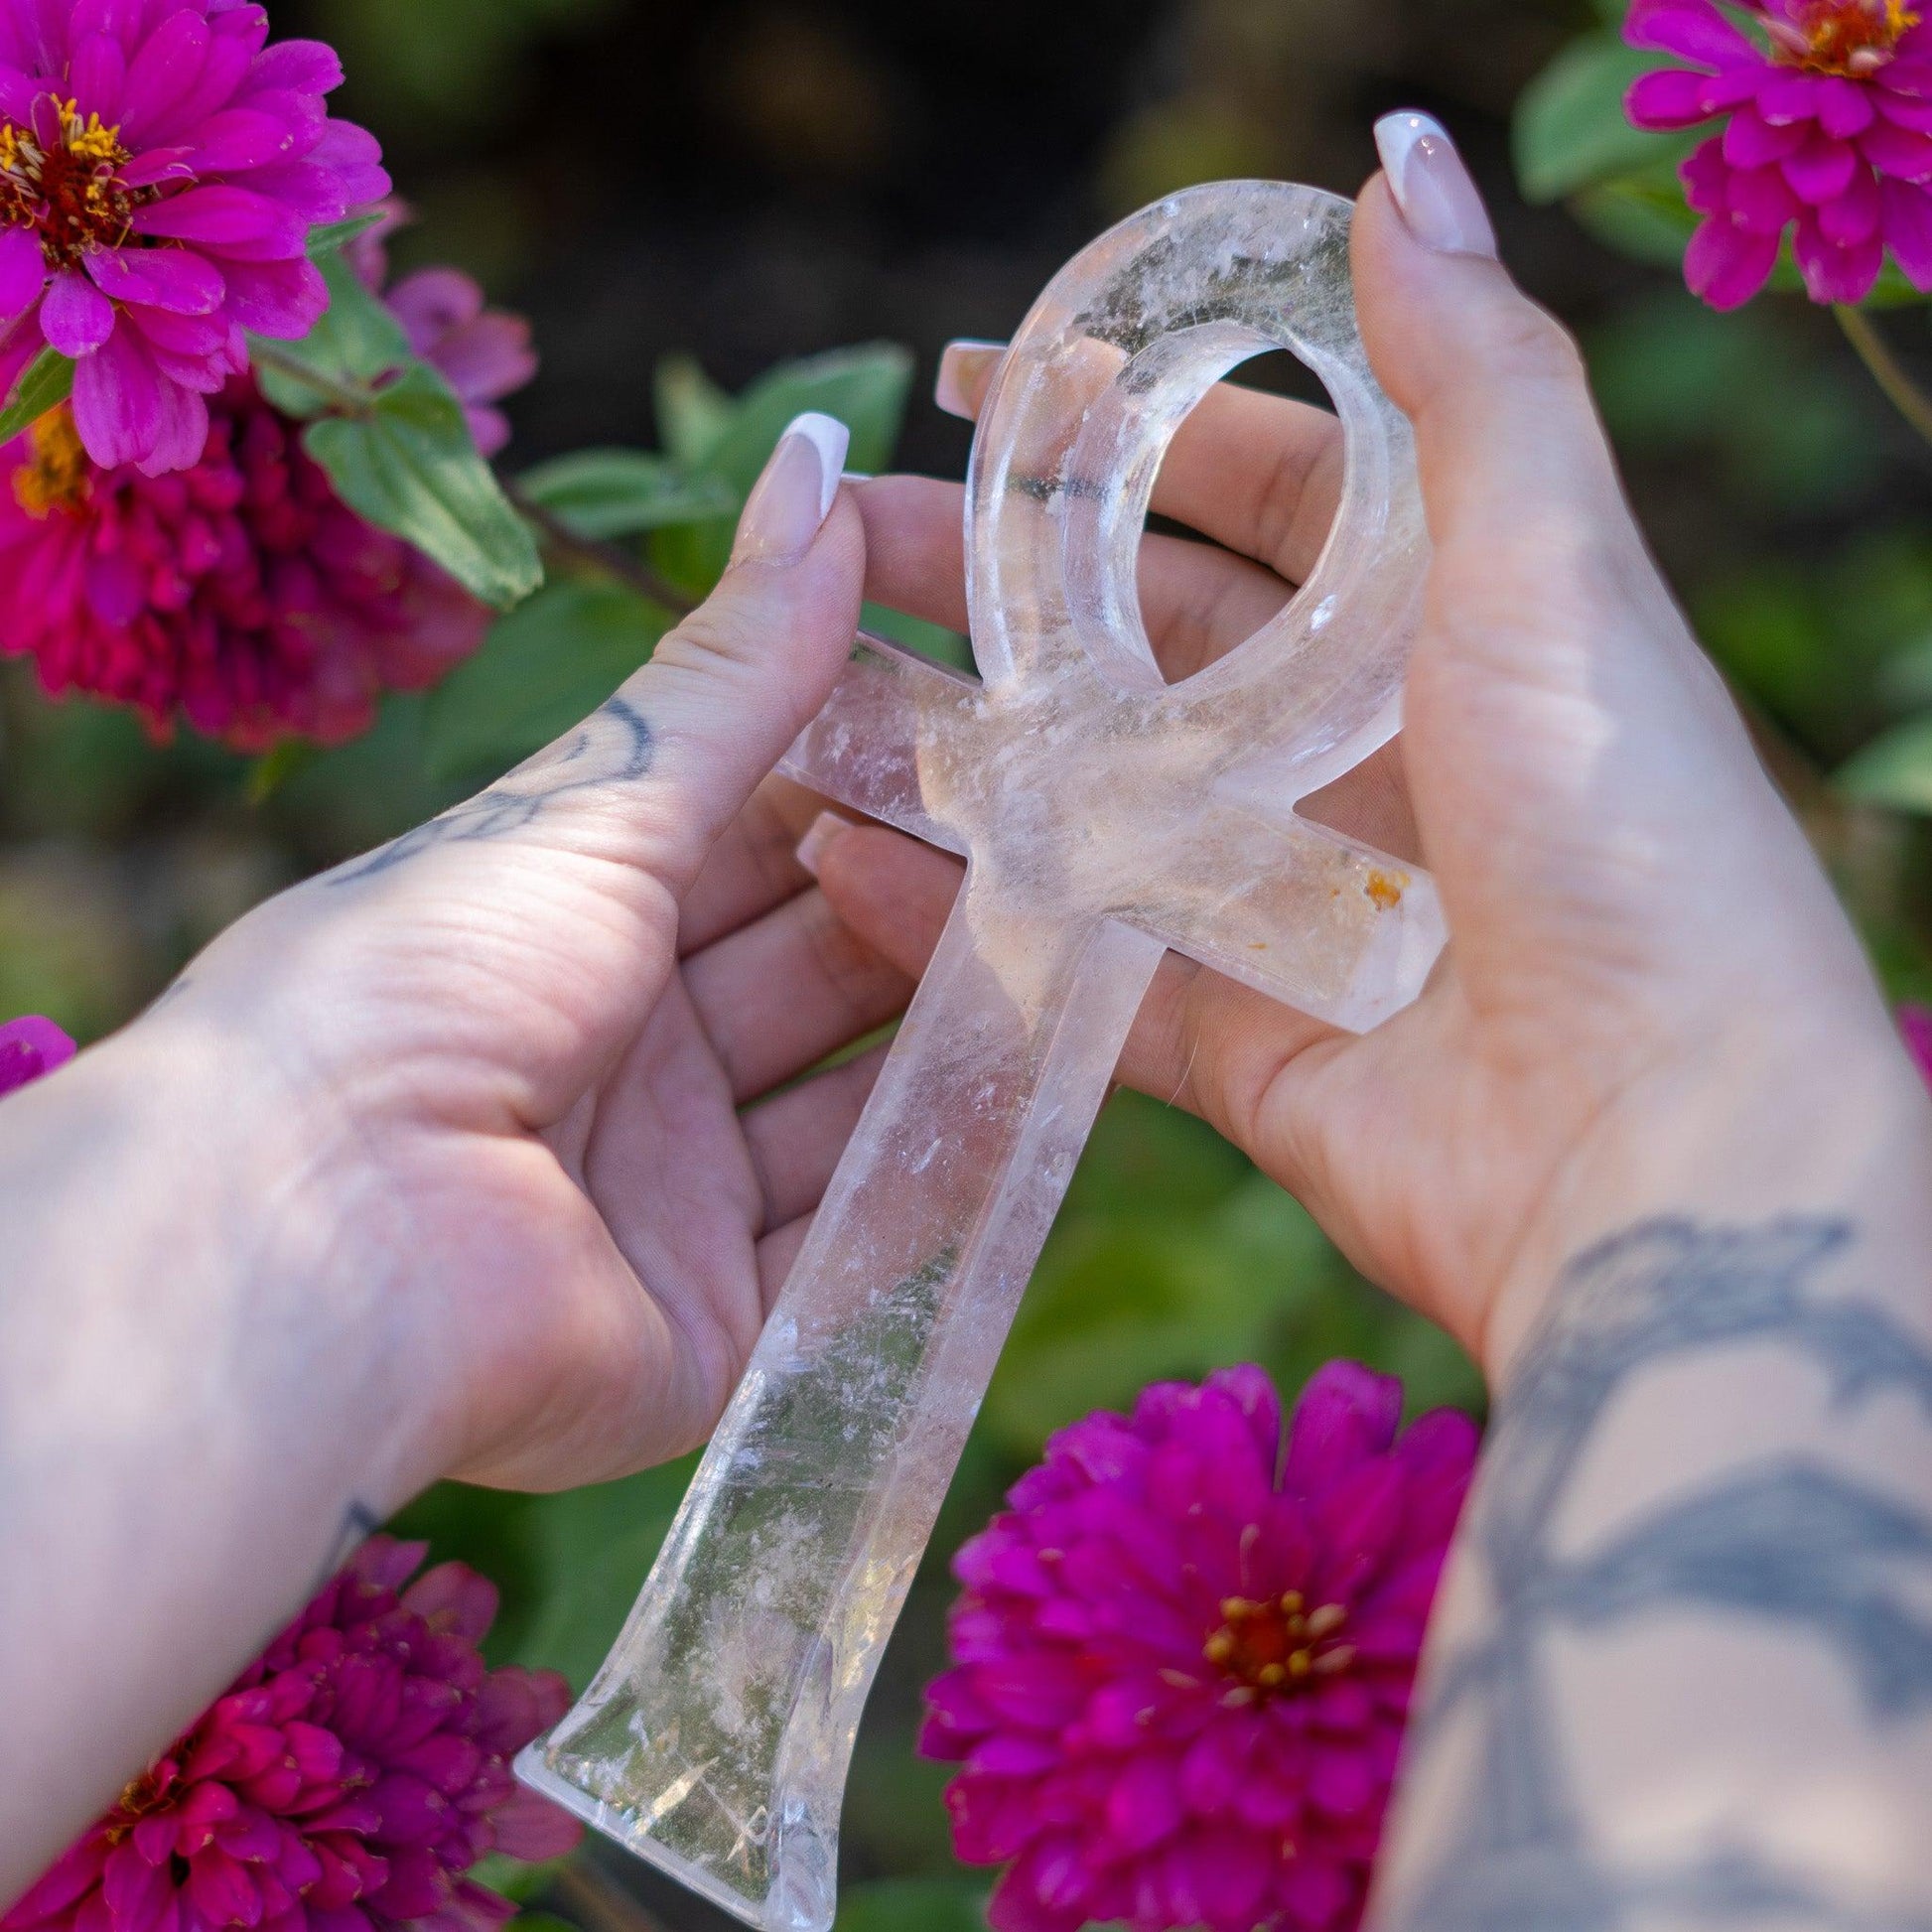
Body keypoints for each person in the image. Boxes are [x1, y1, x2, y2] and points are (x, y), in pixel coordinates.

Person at [2, 111, 1929, 1921]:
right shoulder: (1085, 777)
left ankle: (729, 1728)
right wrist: (1691, 1121)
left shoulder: (1240, 830)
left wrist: (292, 1180)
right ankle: (709, 1729)